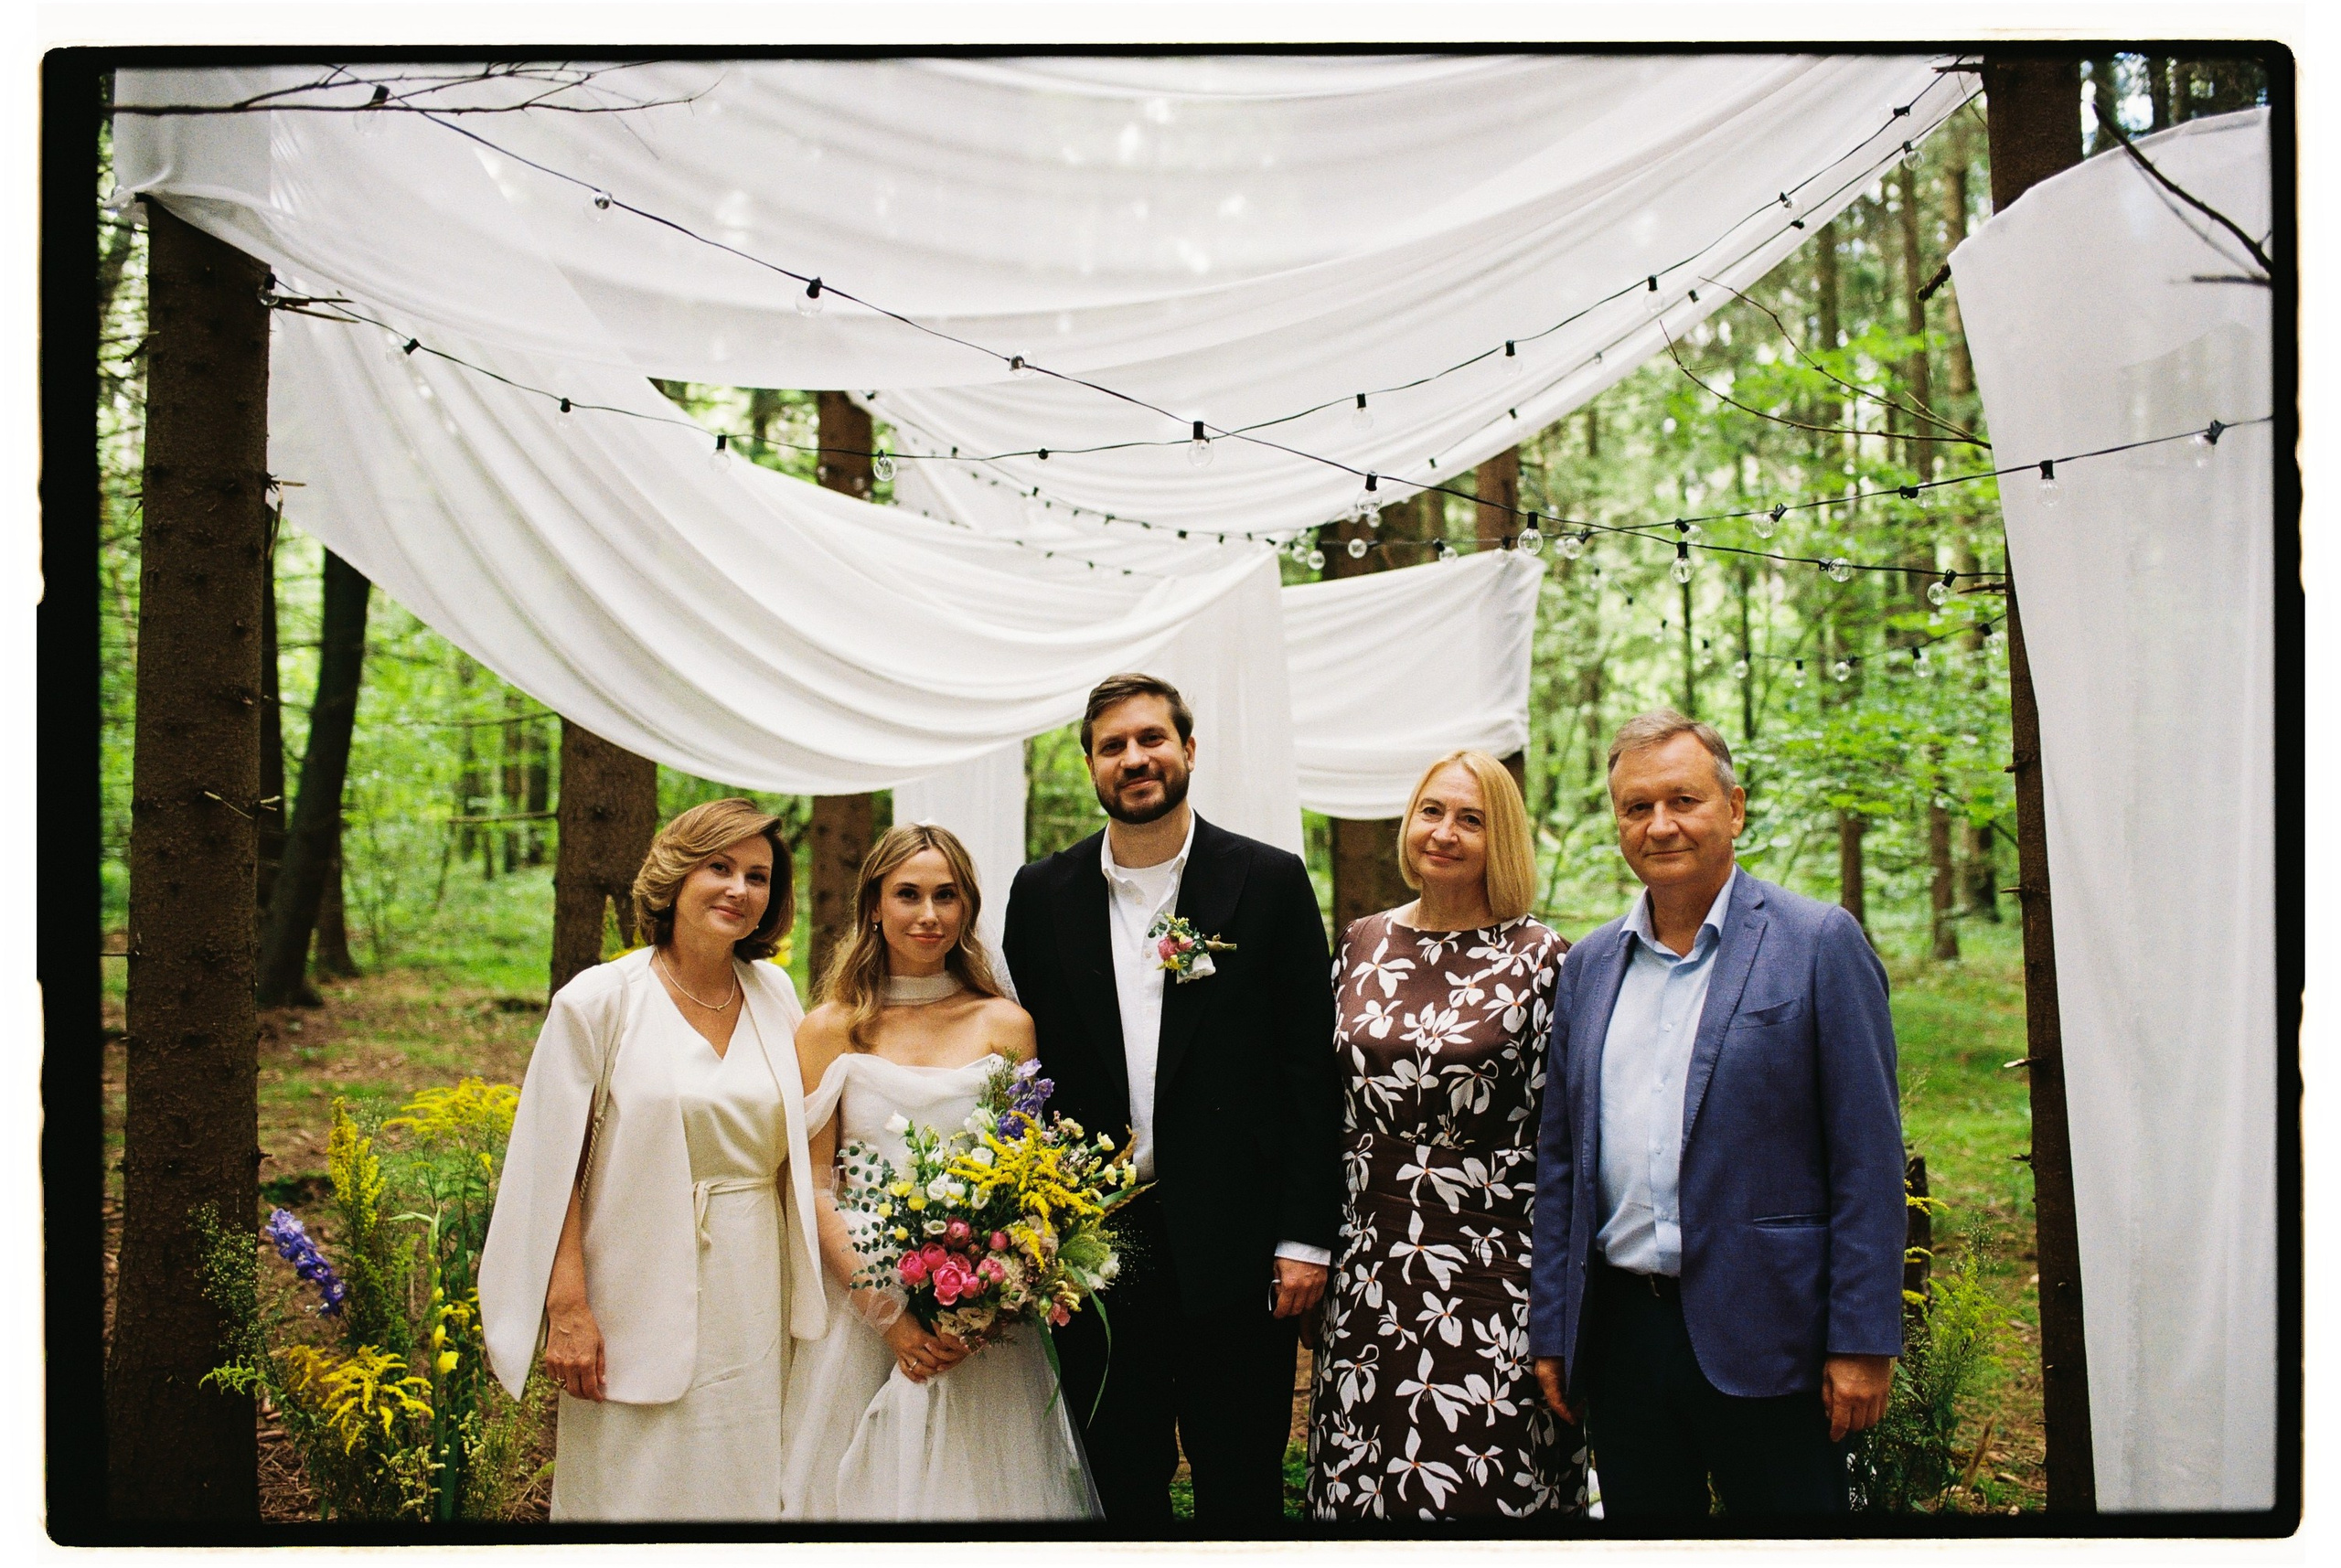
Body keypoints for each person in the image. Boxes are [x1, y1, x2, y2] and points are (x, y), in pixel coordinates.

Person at [1528, 710, 1906, 1517]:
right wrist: (1556, 1328)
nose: (1660, 824)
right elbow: (1562, 1163)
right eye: (1637, 807)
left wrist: (1864, 1340)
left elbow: (1868, 1159)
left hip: (1774, 1336)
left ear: (1733, 808)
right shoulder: (1589, 966)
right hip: (1624, 1338)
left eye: (1683, 799)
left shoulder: (1818, 942)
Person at [1002, 672, 1341, 1530]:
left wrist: (1305, 1235)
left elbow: (1309, 1069)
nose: (1134, 758)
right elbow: (1028, 1069)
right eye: (1112, 745)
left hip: (1240, 1238)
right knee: (1120, 1477)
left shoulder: (1267, 880)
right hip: (1099, 1242)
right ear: (1090, 765)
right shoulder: (1040, 894)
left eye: (1151, 738)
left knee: (1242, 1475)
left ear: (1188, 749)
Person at [478, 798, 827, 1520]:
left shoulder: (775, 993)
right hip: (630, 1278)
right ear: (676, 874)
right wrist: (567, 1306)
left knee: (747, 1474)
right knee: (632, 1479)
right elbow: (551, 1168)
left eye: (757, 876)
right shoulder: (600, 1000)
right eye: (719, 867)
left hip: (756, 1279)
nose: (739, 889)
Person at [777, 824, 1096, 1520]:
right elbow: (815, 1183)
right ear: (874, 905)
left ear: (967, 906)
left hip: (979, 1317)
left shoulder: (1005, 1023)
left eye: (946, 895)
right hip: (860, 1300)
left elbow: (1026, 1177)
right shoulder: (829, 1027)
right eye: (908, 894)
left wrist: (982, 1306)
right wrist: (890, 1318)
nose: (928, 914)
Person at [1307, 750, 1587, 1521]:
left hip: (1493, 1271)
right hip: (1368, 1267)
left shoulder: (1545, 959)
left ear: (1504, 838)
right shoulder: (1360, 943)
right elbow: (1323, 1105)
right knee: (1367, 1483)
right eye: (1432, 811)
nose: (1445, 832)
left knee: (1481, 1486)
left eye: (1472, 819)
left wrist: (1560, 1304)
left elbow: (1567, 1140)